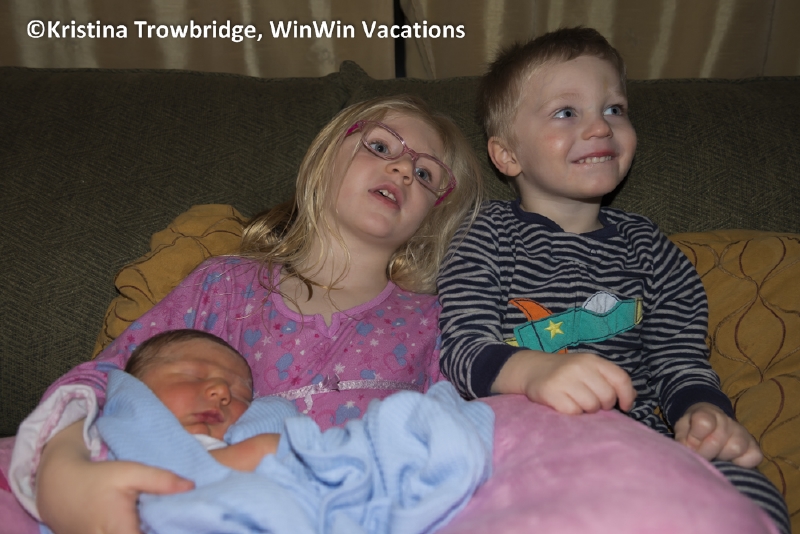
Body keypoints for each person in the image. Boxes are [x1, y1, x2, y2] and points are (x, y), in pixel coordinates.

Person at [10, 94, 484, 534]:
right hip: (197, 500)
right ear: (324, 158)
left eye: (426, 174)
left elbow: (464, 426)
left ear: (432, 216)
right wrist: (63, 469)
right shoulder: (224, 284)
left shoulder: (436, 320)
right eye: (380, 146)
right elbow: (108, 376)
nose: (403, 169)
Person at [436, 27, 790, 534]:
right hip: (520, 442)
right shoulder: (484, 233)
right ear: (507, 154)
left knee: (748, 482)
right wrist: (533, 372)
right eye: (566, 112)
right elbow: (461, 349)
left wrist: (702, 413)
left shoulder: (650, 247)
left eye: (614, 109)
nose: (601, 126)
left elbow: (679, 359)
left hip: (641, 439)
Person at [122, 329, 280, 472]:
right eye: (194, 376)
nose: (222, 390)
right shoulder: (117, 439)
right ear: (133, 388)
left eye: (239, 395)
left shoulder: (266, 445)